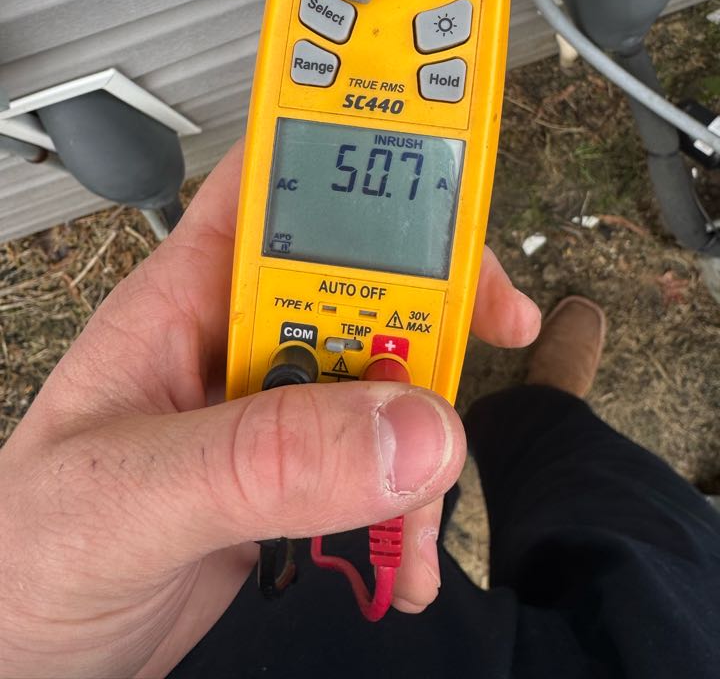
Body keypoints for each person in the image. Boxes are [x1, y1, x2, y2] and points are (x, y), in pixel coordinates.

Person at [0, 143, 717, 678]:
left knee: (372, 488)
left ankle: (529, 424)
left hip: (223, 639)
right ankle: (546, 415)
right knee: (661, 574)